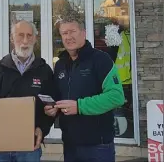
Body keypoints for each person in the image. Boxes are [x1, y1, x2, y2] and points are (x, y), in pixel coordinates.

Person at [0, 20, 55, 162]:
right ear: (12, 38)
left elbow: (51, 106)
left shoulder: (44, 71)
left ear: (35, 39)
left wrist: (42, 128)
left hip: (29, 148)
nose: (25, 40)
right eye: (20, 35)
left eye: (29, 35)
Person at [45, 17, 125, 162]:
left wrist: (79, 106)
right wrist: (53, 108)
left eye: (72, 31)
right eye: (64, 33)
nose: (68, 37)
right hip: (70, 145)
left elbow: (116, 96)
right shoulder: (60, 64)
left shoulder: (101, 60)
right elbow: (59, 97)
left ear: (83, 33)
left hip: (98, 146)